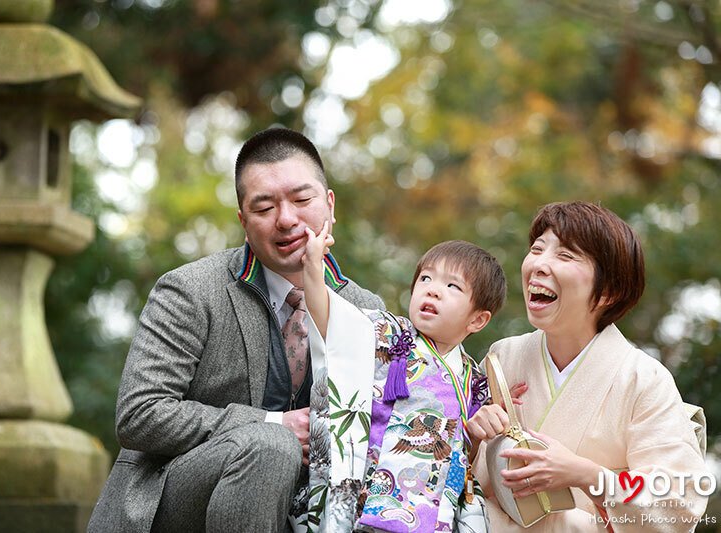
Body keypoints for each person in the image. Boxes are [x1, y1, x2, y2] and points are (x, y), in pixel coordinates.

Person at [87, 127, 384, 533]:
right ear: (244, 221)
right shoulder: (190, 290)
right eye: (264, 208)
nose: (287, 219)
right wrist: (273, 424)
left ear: (330, 205)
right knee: (271, 446)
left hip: (313, 509)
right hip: (173, 502)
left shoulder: (366, 310)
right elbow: (141, 414)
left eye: (302, 200)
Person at [468, 201, 709, 531]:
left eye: (565, 256)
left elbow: (679, 502)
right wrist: (472, 437)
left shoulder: (644, 378)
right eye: (537, 250)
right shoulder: (503, 357)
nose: (539, 265)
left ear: (608, 291)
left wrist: (585, 474)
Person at [298, 225, 507, 532]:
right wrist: (312, 268)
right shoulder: (389, 333)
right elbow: (330, 318)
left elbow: (467, 449)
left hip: (435, 512)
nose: (433, 289)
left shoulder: (474, 378)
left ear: (477, 319)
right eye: (426, 278)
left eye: (452, 286)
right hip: (371, 497)